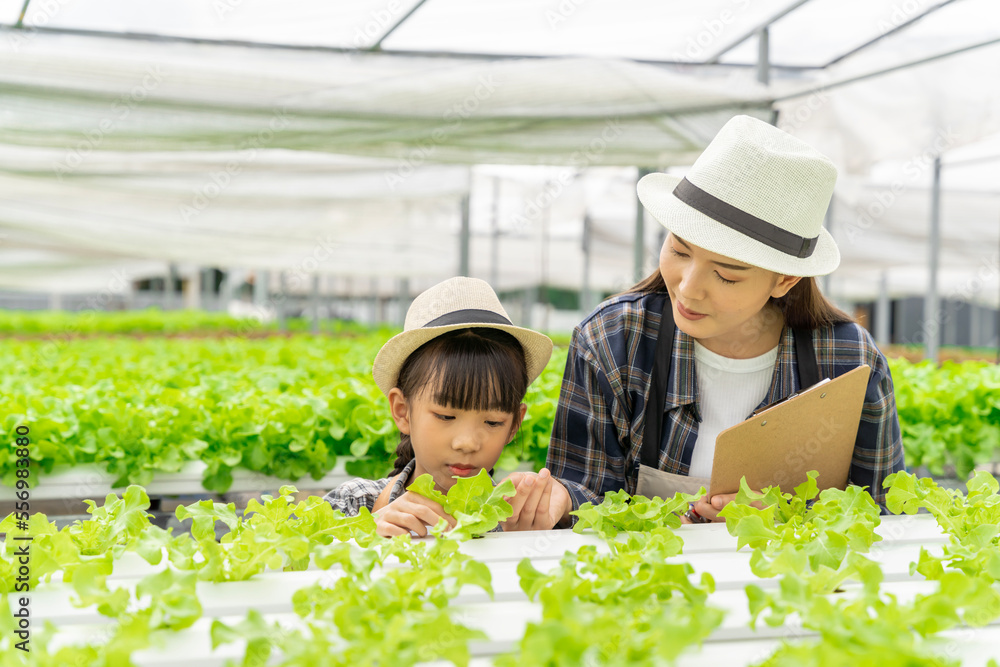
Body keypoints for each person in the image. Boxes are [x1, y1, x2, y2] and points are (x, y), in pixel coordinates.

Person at [505, 114, 904, 528]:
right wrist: (556, 500)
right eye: (679, 251)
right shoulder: (613, 340)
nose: (688, 289)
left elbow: (884, 513)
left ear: (784, 279)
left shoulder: (849, 360)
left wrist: (791, 519)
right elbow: (582, 488)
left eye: (726, 274)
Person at [323, 276, 557, 537]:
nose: (467, 443)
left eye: (493, 422)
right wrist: (363, 533)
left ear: (515, 424)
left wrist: (525, 540)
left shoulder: (522, 517)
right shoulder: (353, 505)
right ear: (402, 411)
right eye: (445, 416)